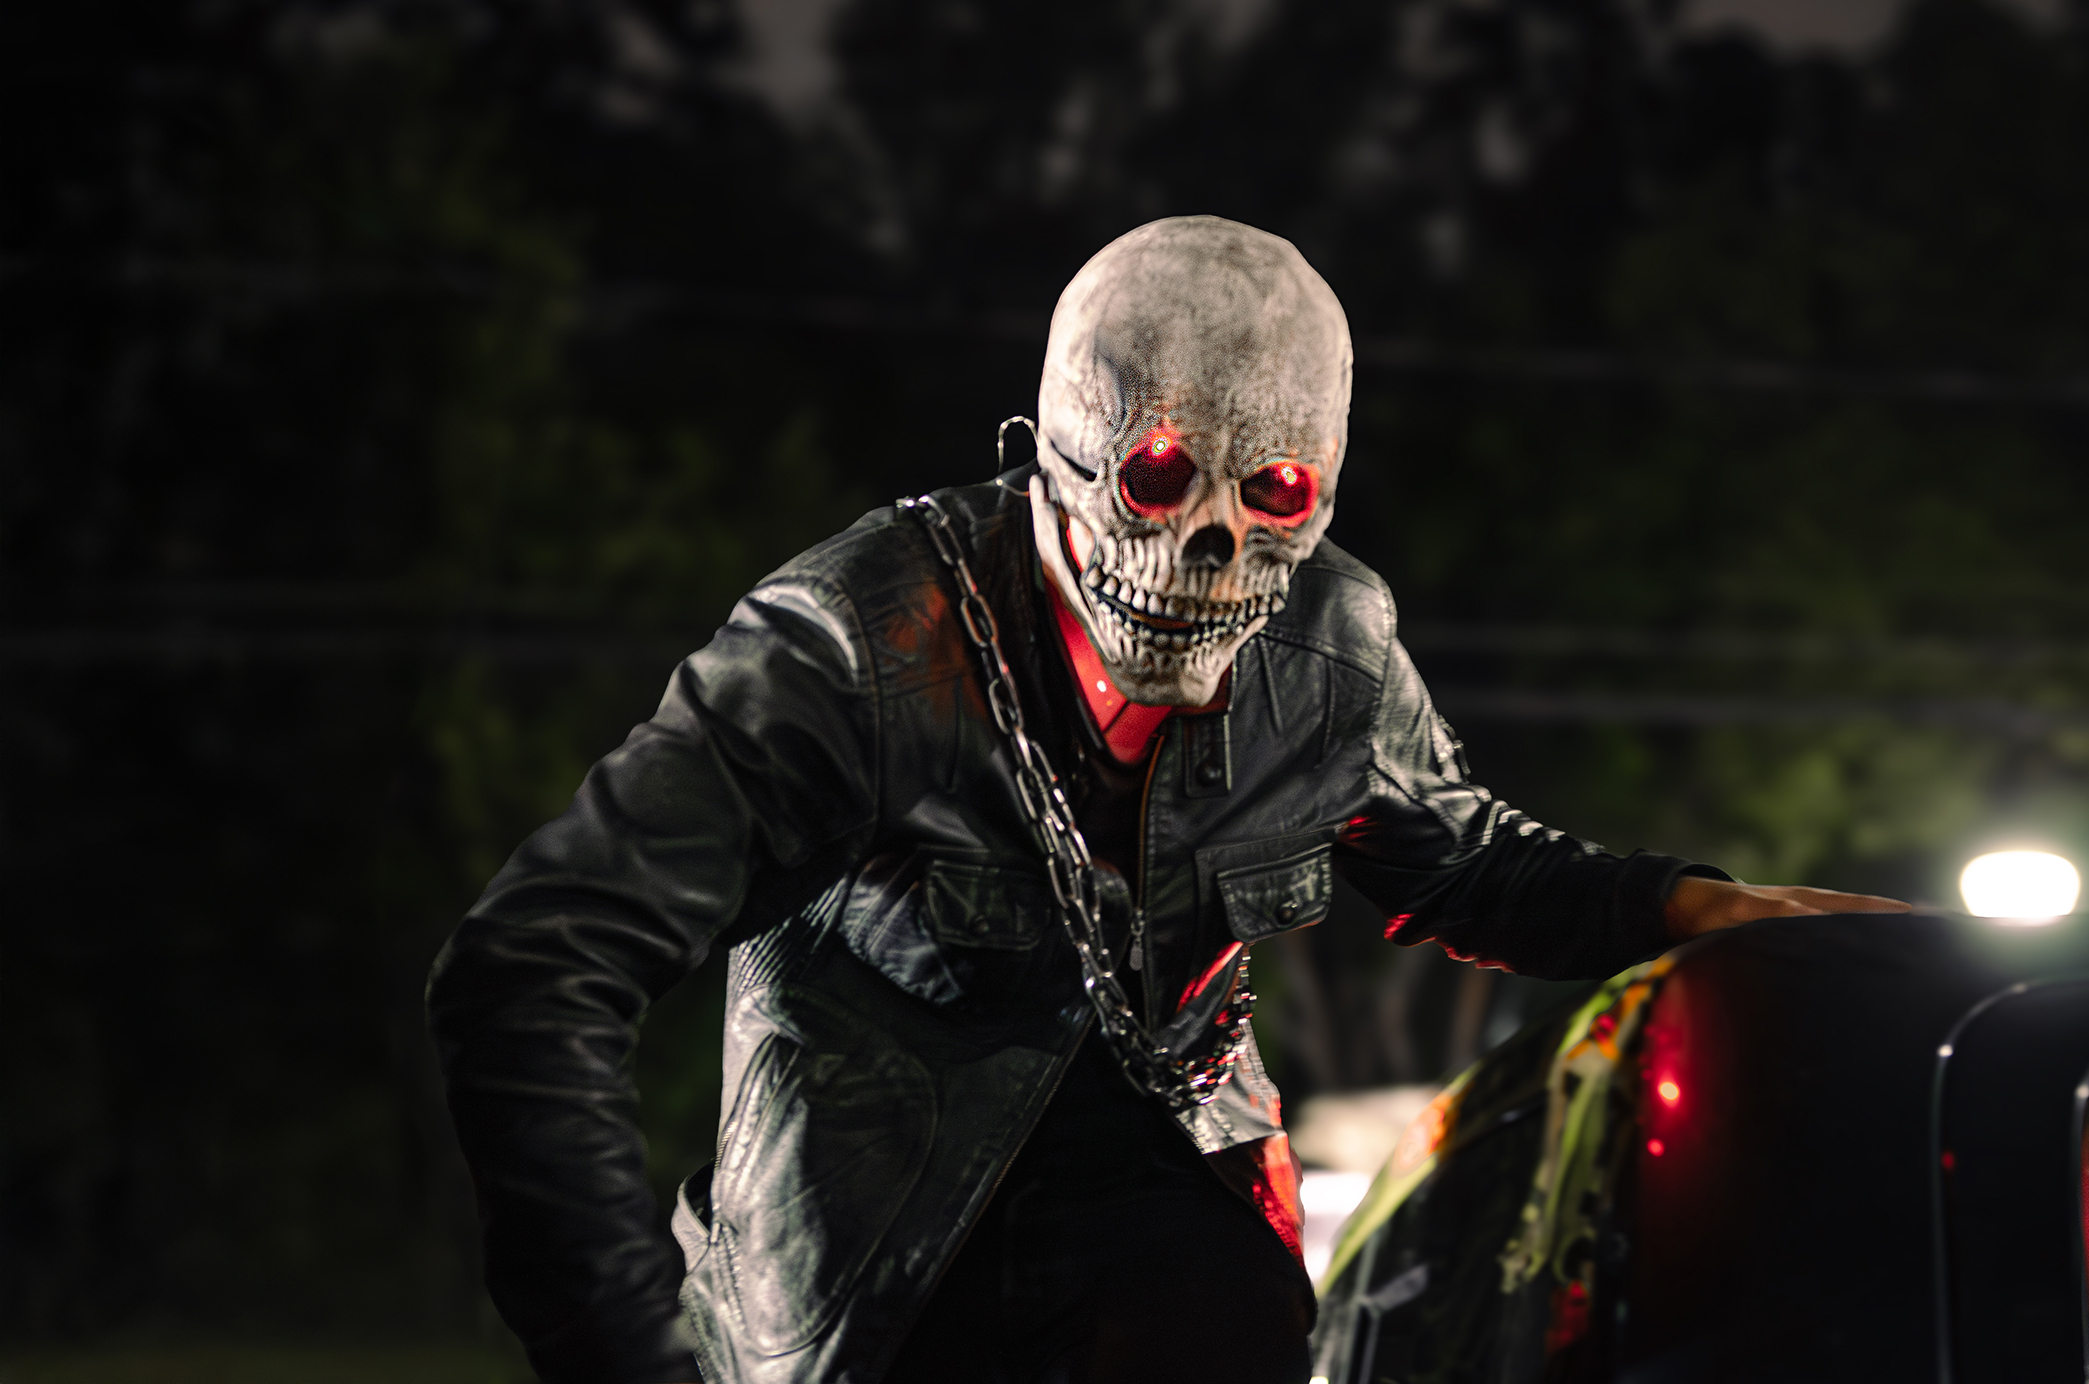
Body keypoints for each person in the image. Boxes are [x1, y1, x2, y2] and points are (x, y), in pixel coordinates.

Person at [426, 215, 1906, 1384]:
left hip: (1175, 1250)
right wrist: (625, 1350)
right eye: (1155, 476)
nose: (1210, 547)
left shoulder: (1326, 645)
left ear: (1318, 495)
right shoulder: (850, 651)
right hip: (875, 1277)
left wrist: (1699, 911)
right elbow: (537, 960)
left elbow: (1467, 869)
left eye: (1273, 495)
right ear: (1050, 462)